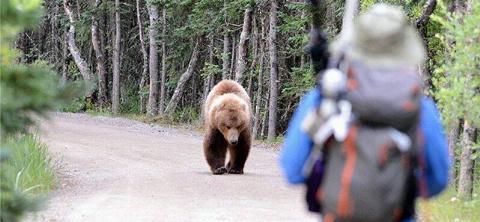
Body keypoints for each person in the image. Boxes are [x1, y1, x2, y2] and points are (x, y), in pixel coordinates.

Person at [280, 4, 449, 221]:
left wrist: (336, 181)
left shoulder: (327, 97)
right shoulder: (420, 109)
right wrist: (393, 190)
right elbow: (436, 183)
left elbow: (293, 170)